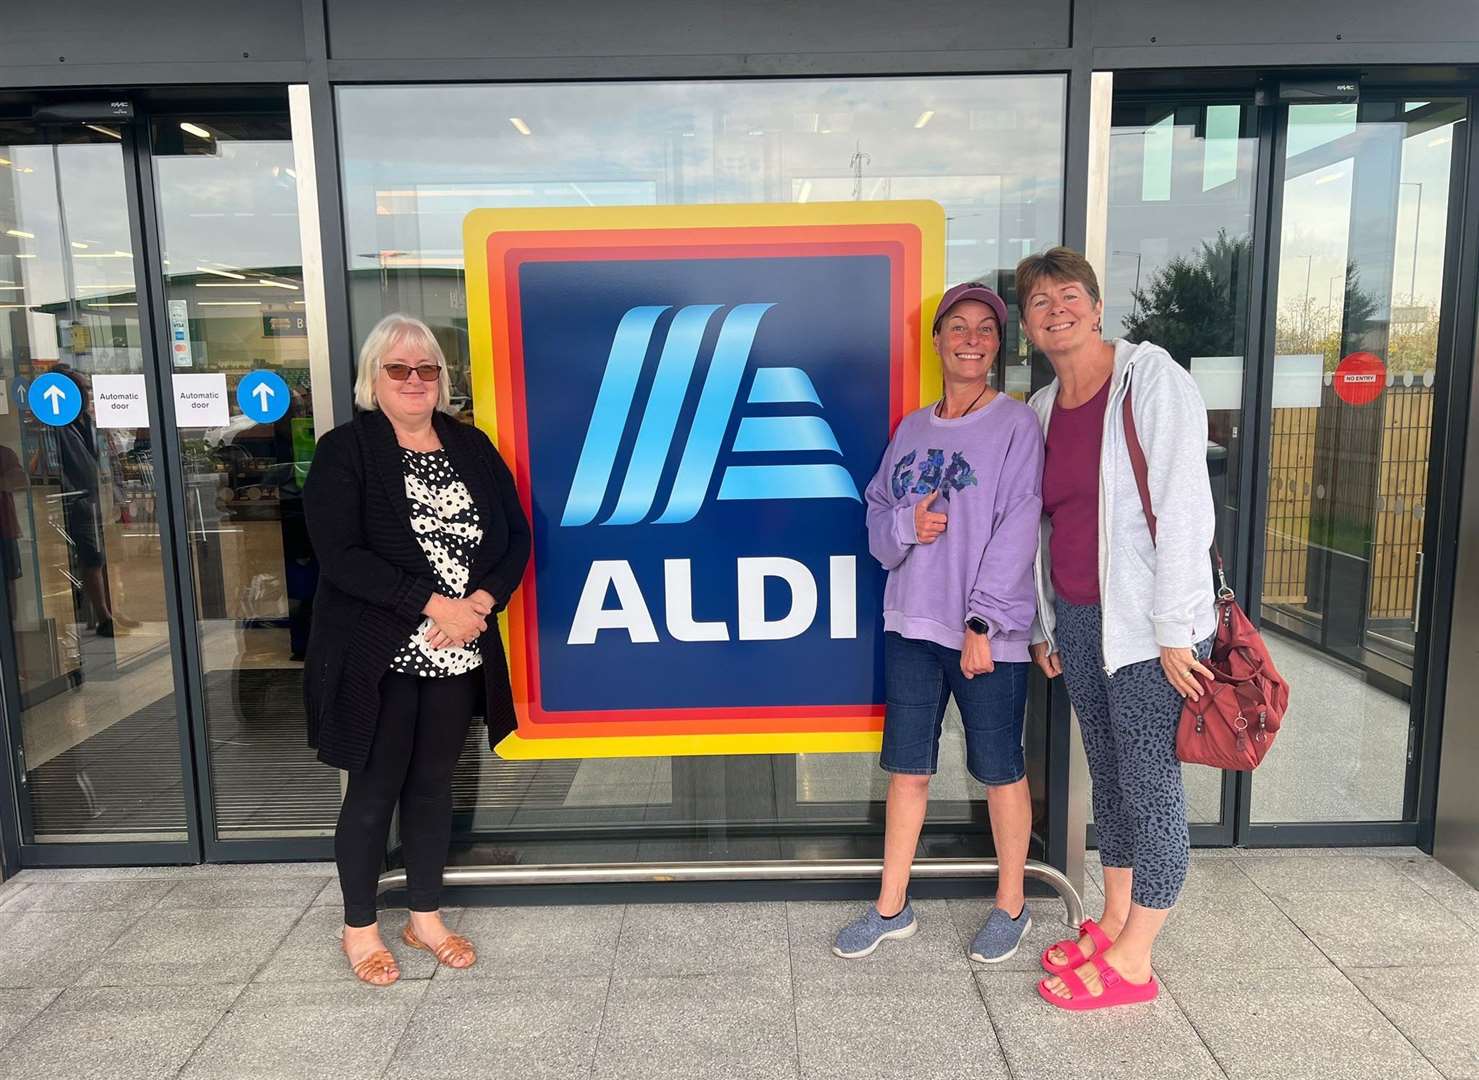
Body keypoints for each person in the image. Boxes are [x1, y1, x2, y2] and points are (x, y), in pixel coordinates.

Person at [303, 313, 530, 986]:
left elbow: (514, 537)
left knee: (433, 788)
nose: (413, 380)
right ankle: (359, 927)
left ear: (441, 379)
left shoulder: (469, 444)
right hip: (379, 654)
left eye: (426, 369)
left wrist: (479, 607)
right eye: (398, 368)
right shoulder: (345, 450)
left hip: (458, 652)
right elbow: (341, 556)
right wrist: (436, 607)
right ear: (374, 378)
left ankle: (423, 916)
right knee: (374, 791)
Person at [1018, 247, 1216, 1010]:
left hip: (1145, 628)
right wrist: (1044, 623)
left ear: (1097, 308)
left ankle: (1134, 959)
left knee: (1149, 787)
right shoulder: (1041, 408)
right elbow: (1043, 527)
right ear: (1030, 326)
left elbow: (1184, 510)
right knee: (1108, 778)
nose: (1055, 310)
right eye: (1039, 302)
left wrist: (1174, 630)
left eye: (1068, 295)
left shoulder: (1151, 382)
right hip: (1076, 619)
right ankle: (1112, 916)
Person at [834, 282, 1044, 963]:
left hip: (985, 634)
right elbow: (876, 517)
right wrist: (906, 524)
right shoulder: (912, 427)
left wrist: (983, 621)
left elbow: (1019, 525)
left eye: (985, 329)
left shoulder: (1015, 425)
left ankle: (1010, 907)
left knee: (1000, 771)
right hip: (913, 625)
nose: (971, 338)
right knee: (907, 770)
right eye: (957, 326)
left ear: (996, 345)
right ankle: (891, 906)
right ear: (937, 340)